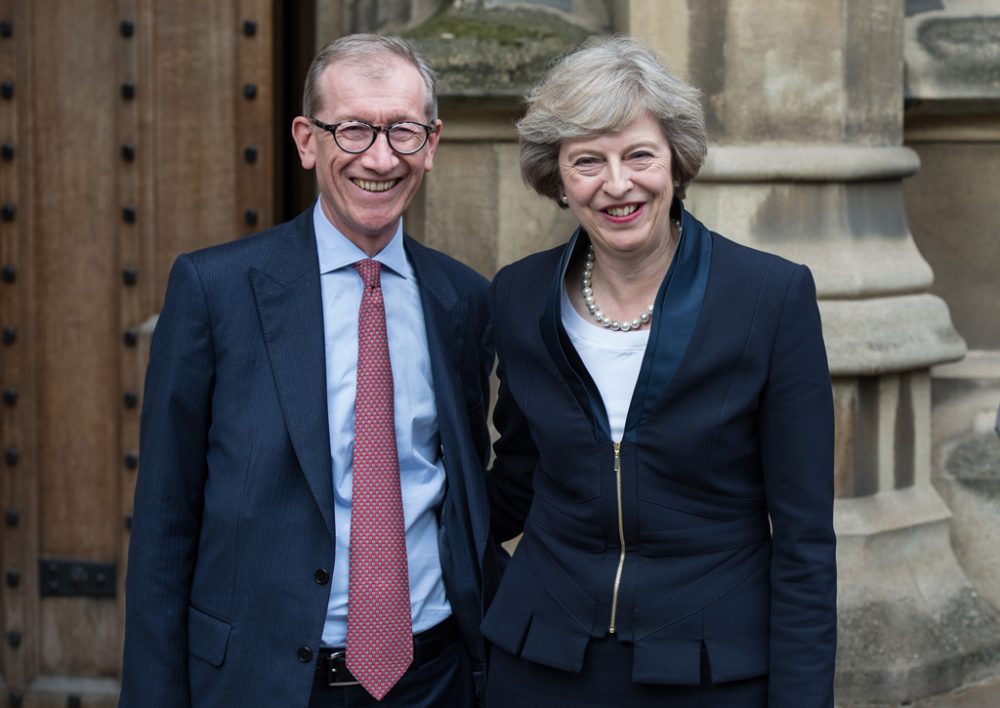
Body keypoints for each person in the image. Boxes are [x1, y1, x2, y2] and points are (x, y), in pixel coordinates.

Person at [120, 34, 495, 708]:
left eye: (403, 132)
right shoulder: (215, 290)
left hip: (435, 678)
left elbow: (464, 492)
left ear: (431, 143)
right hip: (265, 682)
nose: (379, 158)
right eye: (352, 129)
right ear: (305, 138)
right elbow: (164, 525)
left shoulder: (462, 300)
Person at [483, 35, 837, 706]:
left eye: (638, 155)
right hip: (540, 663)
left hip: (710, 667)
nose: (617, 184)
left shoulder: (769, 297)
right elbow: (518, 478)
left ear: (675, 162)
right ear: (558, 180)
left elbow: (804, 541)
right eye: (587, 161)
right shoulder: (518, 295)